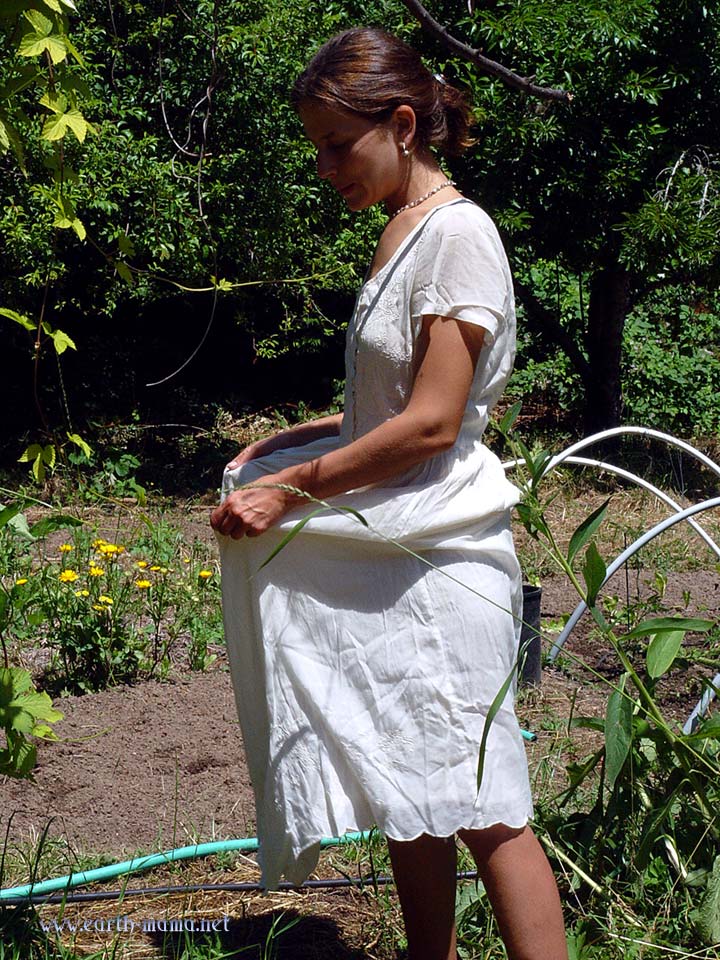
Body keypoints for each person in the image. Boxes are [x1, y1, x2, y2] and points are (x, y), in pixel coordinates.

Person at [211, 26, 567, 960]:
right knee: (412, 791)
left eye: (338, 143)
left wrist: (291, 489)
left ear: (403, 125)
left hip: (442, 559)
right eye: (317, 147)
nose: (324, 167)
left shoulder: (459, 235)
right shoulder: (402, 232)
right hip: (399, 544)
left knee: (486, 807)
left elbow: (435, 424)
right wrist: (299, 440)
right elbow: (391, 405)